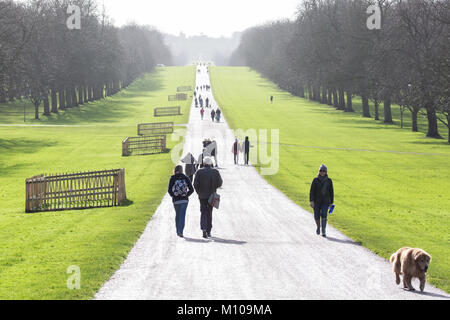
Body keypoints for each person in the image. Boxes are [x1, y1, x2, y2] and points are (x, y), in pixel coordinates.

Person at [193, 157, 223, 238]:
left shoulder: (199, 171)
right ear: (211, 163)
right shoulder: (215, 171)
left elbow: (195, 184)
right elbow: (220, 183)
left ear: (203, 163)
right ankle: (209, 230)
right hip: (212, 194)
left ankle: (204, 229)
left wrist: (198, 192)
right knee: (209, 213)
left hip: (202, 195)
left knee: (203, 212)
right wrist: (214, 187)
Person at [168, 165, 194, 237]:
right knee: (182, 215)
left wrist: (174, 196)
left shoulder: (172, 178)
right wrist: (186, 195)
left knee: (177, 215)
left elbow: (169, 190)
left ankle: (177, 230)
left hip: (176, 201)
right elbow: (191, 190)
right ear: (182, 170)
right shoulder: (186, 178)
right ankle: (180, 231)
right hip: (184, 200)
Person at [309, 164, 334, 237]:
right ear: (319, 171)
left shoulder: (329, 181)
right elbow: (312, 191)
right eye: (321, 171)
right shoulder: (315, 180)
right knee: (316, 215)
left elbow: (331, 192)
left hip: (325, 201)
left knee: (324, 214)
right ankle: (318, 226)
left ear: (326, 172)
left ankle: (323, 230)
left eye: (324, 171)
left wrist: (331, 202)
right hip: (317, 201)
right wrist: (311, 201)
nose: (322, 172)